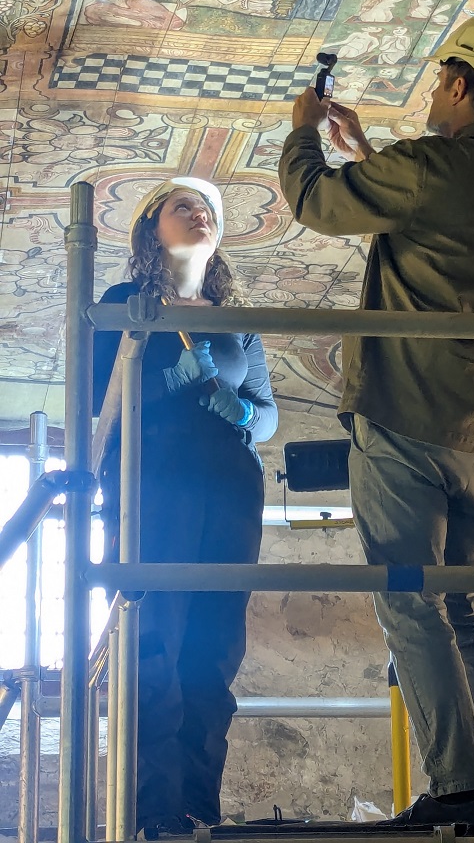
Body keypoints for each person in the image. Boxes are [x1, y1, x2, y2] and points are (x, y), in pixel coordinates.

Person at [278, 13, 474, 829]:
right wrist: (373, 156)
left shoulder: (428, 166)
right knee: (463, 608)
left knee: (407, 599)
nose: (435, 93)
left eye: (440, 80)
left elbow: (312, 201)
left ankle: (457, 787)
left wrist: (304, 131)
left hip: (404, 412)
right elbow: (439, 229)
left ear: (461, 83)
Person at [93, 176, 278, 839]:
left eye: (207, 210)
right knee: (155, 643)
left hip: (230, 491)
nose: (199, 214)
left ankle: (200, 807)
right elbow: (99, 402)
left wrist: (241, 412)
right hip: (154, 485)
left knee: (215, 647)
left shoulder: (235, 322)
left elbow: (267, 416)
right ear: (151, 228)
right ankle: (155, 811)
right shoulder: (124, 304)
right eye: (182, 206)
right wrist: (174, 374)